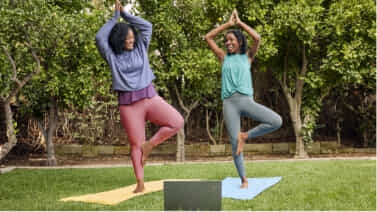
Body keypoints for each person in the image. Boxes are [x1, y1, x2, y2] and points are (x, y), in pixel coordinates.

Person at [95, 0, 184, 193]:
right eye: (127, 38)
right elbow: (100, 37)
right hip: (129, 105)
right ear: (119, 40)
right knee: (135, 144)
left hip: (150, 97)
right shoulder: (111, 56)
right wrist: (114, 18)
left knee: (177, 122)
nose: (131, 40)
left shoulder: (141, 46)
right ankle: (140, 182)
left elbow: (147, 26)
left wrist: (125, 15)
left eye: (131, 37)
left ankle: (149, 145)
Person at [205, 10, 282, 188]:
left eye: (232, 40)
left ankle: (245, 136)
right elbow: (208, 37)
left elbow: (257, 38)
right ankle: (244, 180)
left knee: (276, 121)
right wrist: (227, 25)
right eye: (226, 40)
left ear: (240, 42)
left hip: (246, 101)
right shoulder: (223, 58)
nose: (228, 43)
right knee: (234, 142)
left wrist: (239, 23)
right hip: (229, 104)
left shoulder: (247, 57)